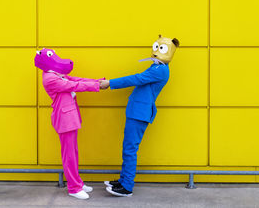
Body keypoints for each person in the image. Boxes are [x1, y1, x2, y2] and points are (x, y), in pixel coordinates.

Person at [101, 35, 179, 197]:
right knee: (128, 147)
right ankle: (123, 180)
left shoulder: (160, 70)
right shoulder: (156, 67)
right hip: (137, 112)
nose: (156, 51)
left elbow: (136, 79)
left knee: (130, 149)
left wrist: (110, 83)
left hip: (140, 113)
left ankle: (127, 186)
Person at [35, 48, 106, 200]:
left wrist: (96, 81)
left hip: (70, 118)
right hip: (64, 120)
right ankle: (74, 188)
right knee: (69, 156)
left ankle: (77, 182)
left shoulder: (55, 74)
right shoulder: (50, 78)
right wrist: (97, 86)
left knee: (73, 153)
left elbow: (74, 79)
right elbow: (74, 86)